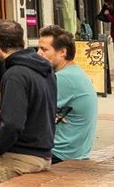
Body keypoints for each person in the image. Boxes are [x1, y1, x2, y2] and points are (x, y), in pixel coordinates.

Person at [0, 18, 55, 182]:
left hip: (18, 157)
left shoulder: (15, 75)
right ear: (23, 41)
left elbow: (12, 124)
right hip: (42, 154)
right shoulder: (46, 69)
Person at [37, 25, 97, 163]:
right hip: (74, 150)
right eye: (39, 48)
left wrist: (47, 113)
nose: (38, 53)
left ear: (62, 52)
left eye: (44, 49)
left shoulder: (64, 79)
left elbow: (28, 113)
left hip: (60, 153)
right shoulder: (73, 71)